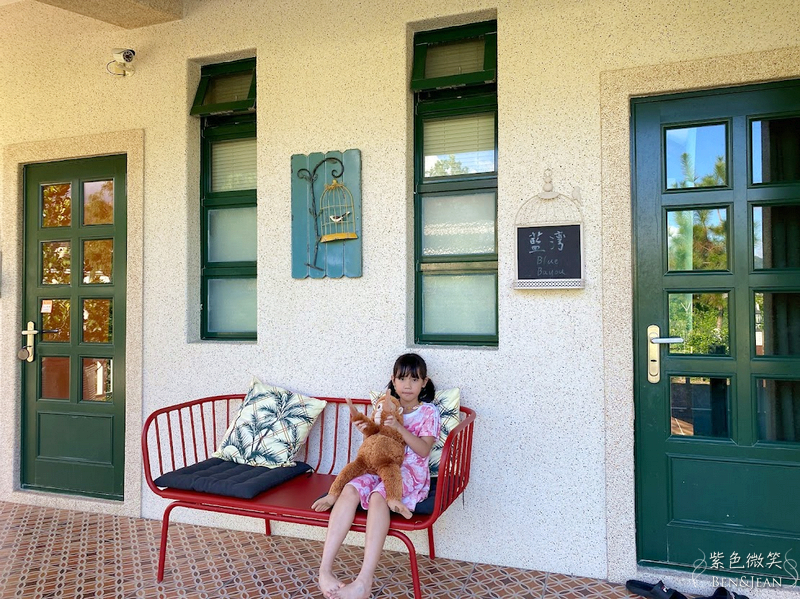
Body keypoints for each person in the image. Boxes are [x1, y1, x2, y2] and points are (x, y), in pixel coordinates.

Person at [312, 353, 441, 599]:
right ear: (393, 380)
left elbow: (424, 450)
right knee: (350, 489)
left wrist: (399, 427)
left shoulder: (428, 412)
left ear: (424, 382)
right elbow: (377, 444)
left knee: (378, 496)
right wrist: (366, 432)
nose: (407, 385)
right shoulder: (385, 406)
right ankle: (325, 571)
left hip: (409, 473)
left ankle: (364, 581)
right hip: (378, 467)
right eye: (402, 379)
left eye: (414, 380)